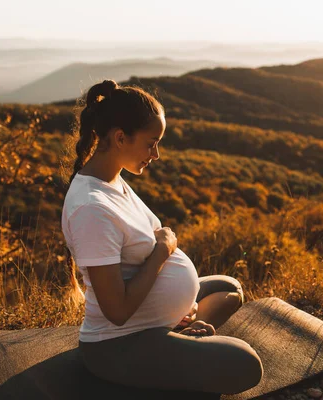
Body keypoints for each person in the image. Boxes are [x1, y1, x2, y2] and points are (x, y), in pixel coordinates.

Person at [60, 79, 263, 395]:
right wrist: (163, 250)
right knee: (246, 363)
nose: (156, 154)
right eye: (151, 142)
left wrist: (175, 301)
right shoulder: (91, 208)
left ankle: (181, 330)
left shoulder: (114, 180)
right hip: (119, 345)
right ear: (120, 138)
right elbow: (116, 312)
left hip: (150, 320)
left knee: (229, 288)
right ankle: (176, 341)